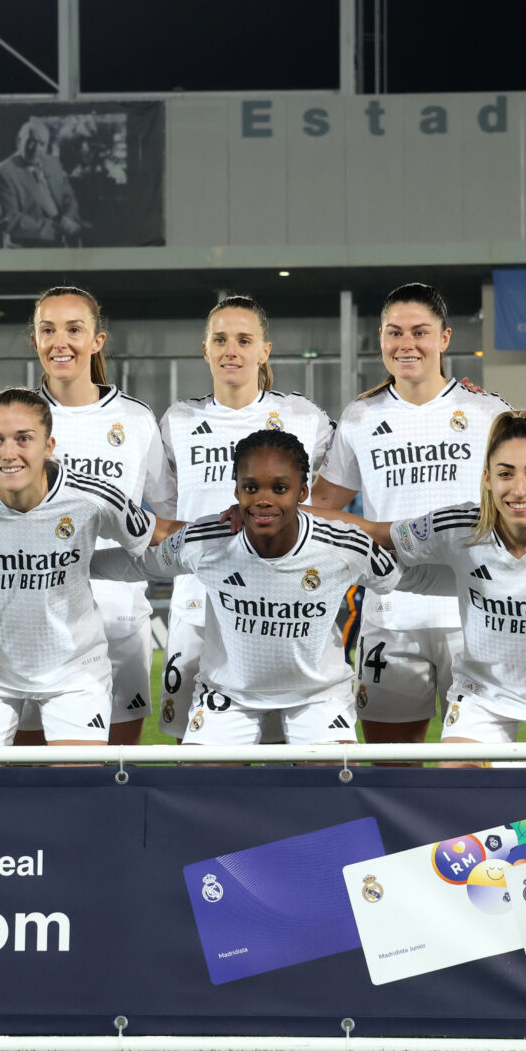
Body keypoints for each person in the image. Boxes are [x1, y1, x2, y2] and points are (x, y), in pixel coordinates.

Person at [336, 411, 526, 761]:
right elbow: (374, 531)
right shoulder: (458, 526)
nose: (519, 489)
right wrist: (296, 518)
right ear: (487, 477)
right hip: (482, 696)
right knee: (458, 785)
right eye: (506, 474)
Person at [0, 389, 176, 748]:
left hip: (75, 667)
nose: (9, 453)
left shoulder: (95, 496)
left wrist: (240, 528)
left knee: (77, 786)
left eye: (23, 439)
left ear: (48, 445)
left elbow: (161, 532)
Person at [107, 431, 406, 745]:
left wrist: (461, 573)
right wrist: (77, 563)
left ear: (303, 491)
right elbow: (139, 565)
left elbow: (407, 577)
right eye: (251, 488)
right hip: (228, 695)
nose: (264, 499)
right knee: (199, 786)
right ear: (236, 491)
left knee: (330, 785)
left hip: (318, 695)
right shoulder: (207, 540)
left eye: (280, 488)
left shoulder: (343, 545)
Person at [310, 284, 507, 744]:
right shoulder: (360, 416)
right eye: (395, 332)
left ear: (444, 338)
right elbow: (322, 508)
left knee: (477, 768)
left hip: (476, 615)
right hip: (391, 614)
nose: (406, 344)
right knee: (389, 767)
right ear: (380, 338)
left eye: (420, 332)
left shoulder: (489, 412)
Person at [155, 295, 336, 739]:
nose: (230, 350)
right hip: (196, 603)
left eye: (243, 339)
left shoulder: (304, 418)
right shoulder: (177, 420)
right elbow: (165, 511)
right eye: (220, 340)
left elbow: (331, 498)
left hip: (278, 607)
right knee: (192, 747)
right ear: (205, 349)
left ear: (264, 351)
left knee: (282, 747)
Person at [28, 287, 171, 746]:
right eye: (48, 330)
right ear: (35, 340)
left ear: (97, 340)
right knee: (31, 774)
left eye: (74, 329)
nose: (60, 341)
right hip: (32, 623)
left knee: (116, 774)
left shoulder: (135, 418)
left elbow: (165, 517)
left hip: (117, 618)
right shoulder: (12, 419)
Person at [0, 120, 83, 249]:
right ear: (19, 141)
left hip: (64, 238)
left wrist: (67, 218)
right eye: (30, 141)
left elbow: (69, 196)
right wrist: (58, 229)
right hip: (27, 247)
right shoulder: (2, 173)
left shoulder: (53, 163)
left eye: (42, 144)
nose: (36, 149)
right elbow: (11, 221)